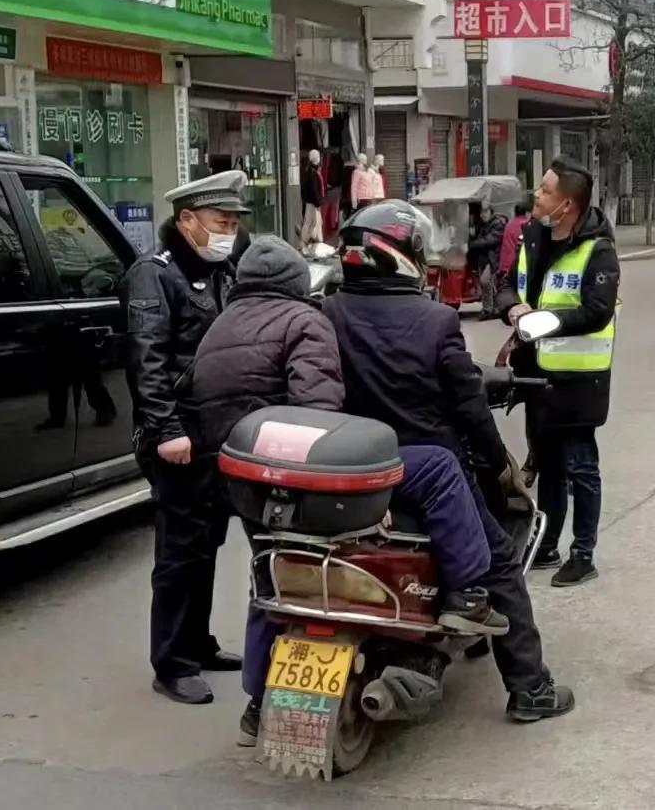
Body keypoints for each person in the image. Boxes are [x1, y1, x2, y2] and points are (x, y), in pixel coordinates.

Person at [183, 235, 509, 745]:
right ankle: (466, 594)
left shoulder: (218, 328)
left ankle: (256, 702)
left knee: (274, 578)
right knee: (439, 467)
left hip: (243, 482)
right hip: (303, 478)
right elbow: (317, 413)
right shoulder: (304, 321)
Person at [323, 201, 575, 722]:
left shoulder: (329, 312)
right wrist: (496, 461)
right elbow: (469, 406)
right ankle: (531, 690)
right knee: (501, 560)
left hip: (352, 471)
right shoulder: (435, 320)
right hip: (428, 472)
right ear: (401, 256)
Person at [120, 170, 250, 705]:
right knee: (178, 550)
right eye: (222, 222)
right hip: (177, 438)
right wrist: (166, 430)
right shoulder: (156, 275)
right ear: (187, 220)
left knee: (207, 543)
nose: (230, 232)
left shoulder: (220, 271)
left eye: (236, 223)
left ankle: (197, 642)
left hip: (214, 434)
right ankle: (171, 661)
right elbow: (146, 361)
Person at [496, 158, 619, 587]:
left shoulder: (597, 248)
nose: (537, 195)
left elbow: (597, 311)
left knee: (581, 467)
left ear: (566, 204)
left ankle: (582, 553)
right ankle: (545, 545)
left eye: (545, 190)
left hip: (579, 380)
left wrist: (542, 320)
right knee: (547, 464)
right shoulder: (532, 235)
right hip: (535, 375)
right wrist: (511, 306)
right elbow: (506, 282)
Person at [469, 202, 508, 320]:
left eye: (486, 212)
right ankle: (493, 309)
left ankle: (488, 310)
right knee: (488, 284)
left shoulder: (497, 223)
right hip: (485, 259)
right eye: (482, 212)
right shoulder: (484, 225)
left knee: (485, 281)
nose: (483, 215)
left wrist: (471, 244)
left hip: (493, 259)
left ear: (491, 212)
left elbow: (489, 240)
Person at [299, 148, 325, 249]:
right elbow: (314, 189)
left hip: (310, 201)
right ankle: (305, 240)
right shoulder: (313, 172)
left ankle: (309, 239)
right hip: (312, 202)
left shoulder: (309, 170)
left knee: (312, 221)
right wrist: (318, 202)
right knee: (311, 221)